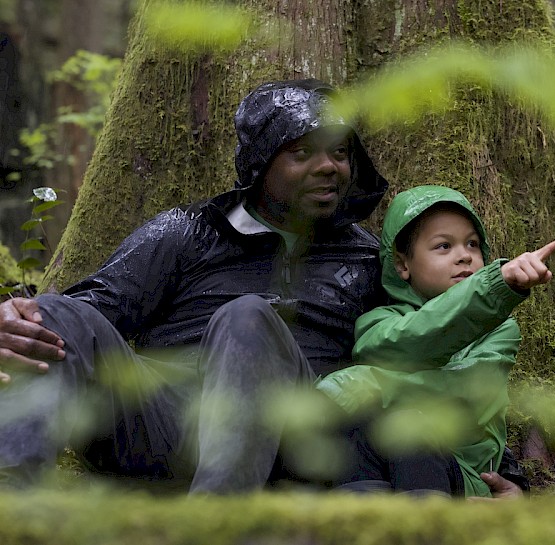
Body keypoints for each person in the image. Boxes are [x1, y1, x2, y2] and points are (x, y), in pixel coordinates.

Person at [0, 79, 525, 495]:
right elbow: (91, 309)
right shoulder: (186, 232)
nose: (328, 167)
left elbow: (431, 351)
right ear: (260, 164)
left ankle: (217, 523)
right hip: (165, 426)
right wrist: (14, 320)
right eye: (303, 153)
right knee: (51, 315)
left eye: (339, 153)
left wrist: (499, 473)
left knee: (247, 318)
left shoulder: (366, 257)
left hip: (295, 441)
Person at [316, 185, 555, 498]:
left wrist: (361, 382)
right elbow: (412, 340)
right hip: (383, 476)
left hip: (462, 474)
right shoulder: (377, 323)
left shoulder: (499, 330)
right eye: (443, 246)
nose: (464, 256)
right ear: (403, 265)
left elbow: (462, 394)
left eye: (472, 244)